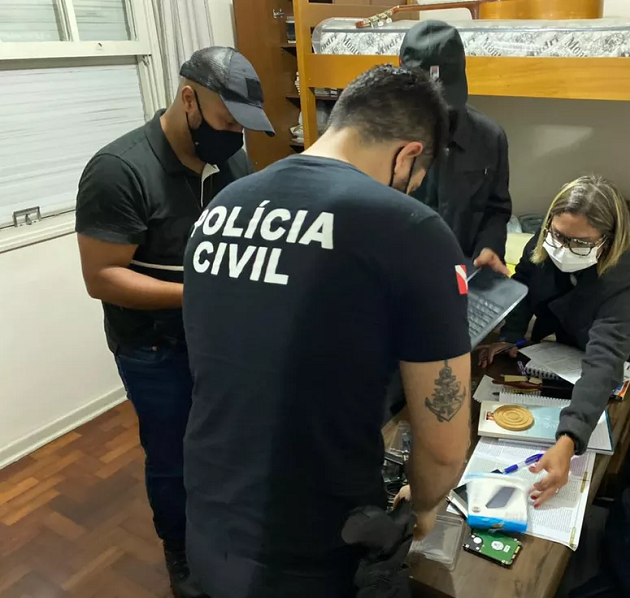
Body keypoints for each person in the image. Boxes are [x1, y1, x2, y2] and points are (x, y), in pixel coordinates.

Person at [182, 65, 472, 598]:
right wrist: (424, 505)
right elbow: (444, 448)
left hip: (207, 519)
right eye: (414, 180)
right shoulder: (413, 231)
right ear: (408, 155)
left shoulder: (223, 206)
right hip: (312, 549)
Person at [74, 46, 274, 597]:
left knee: (224, 444)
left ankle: (223, 533)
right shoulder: (119, 171)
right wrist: (202, 295)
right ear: (189, 99)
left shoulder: (231, 160)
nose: (235, 135)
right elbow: (102, 278)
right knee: (172, 457)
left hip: (216, 340)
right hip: (153, 349)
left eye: (243, 125)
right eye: (227, 121)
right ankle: (180, 550)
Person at [480, 175, 630, 507]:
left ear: (609, 240)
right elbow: (526, 281)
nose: (563, 248)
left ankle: (613, 499)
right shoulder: (549, 238)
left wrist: (569, 439)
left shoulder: (629, 275)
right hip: (580, 342)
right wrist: (510, 336)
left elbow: (607, 356)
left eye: (580, 243)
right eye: (558, 235)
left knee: (621, 429)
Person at [399, 20, 512, 275]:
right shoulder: (384, 138)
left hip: (466, 269)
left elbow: (497, 209)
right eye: (425, 102)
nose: (436, 113)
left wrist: (491, 247)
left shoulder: (490, 137)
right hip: (401, 271)